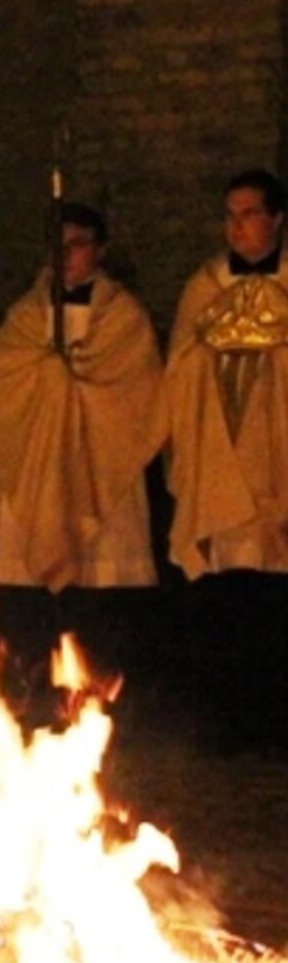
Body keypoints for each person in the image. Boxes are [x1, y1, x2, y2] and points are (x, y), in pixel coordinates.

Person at [0, 203, 165, 680]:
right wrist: (48, 379)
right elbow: (3, 392)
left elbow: (140, 397)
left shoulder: (125, 318)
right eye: (58, 246)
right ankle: (37, 696)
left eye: (78, 244)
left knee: (98, 606)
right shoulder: (24, 317)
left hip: (103, 471)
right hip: (40, 473)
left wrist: (70, 383)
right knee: (35, 611)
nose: (66, 256)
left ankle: (100, 699)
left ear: (101, 250)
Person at [164, 169, 288, 746]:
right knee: (227, 602)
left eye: (248, 213)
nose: (236, 226)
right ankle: (227, 724)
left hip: (277, 465)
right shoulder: (203, 288)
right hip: (219, 464)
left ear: (277, 218)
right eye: (229, 215)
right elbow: (179, 372)